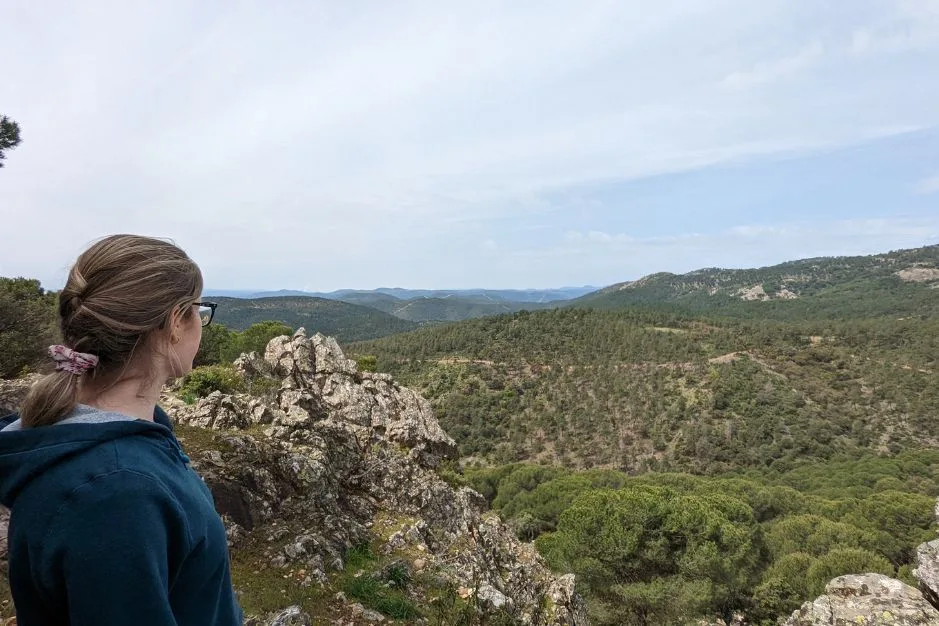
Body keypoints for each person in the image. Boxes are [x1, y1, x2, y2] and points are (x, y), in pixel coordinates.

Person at [0, 234, 242, 625]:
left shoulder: (121, 440)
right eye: (199, 310)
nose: (202, 323)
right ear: (175, 323)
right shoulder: (116, 493)